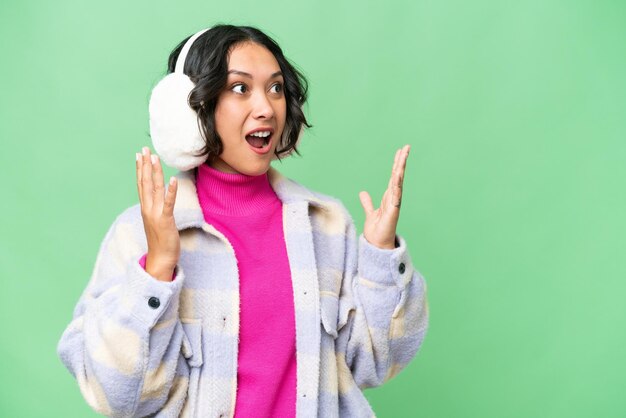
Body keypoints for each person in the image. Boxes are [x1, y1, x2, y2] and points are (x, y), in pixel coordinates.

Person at [57, 24, 429, 418]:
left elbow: (376, 361)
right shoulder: (137, 235)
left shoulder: (328, 225)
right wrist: (158, 268)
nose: (267, 108)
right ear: (191, 109)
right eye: (240, 88)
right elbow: (116, 396)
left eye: (275, 88)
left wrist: (381, 257)